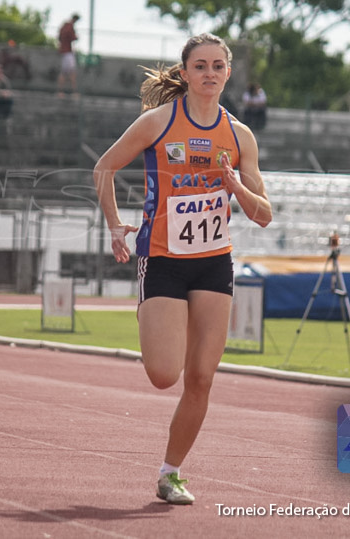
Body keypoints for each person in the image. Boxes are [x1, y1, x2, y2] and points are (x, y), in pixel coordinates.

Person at [93, 33, 273, 505]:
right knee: (162, 374)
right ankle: (148, 309)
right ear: (186, 72)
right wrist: (114, 226)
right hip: (164, 260)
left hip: (214, 262)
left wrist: (235, 187)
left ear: (228, 73)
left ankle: (171, 472)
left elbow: (264, 213)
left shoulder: (239, 136)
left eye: (218, 66)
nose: (209, 73)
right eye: (200, 66)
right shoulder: (158, 122)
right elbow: (104, 168)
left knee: (201, 378)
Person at [56, 13, 81, 98]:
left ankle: (61, 92)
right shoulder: (69, 26)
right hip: (68, 52)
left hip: (64, 51)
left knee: (66, 72)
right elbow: (73, 37)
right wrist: (76, 37)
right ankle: (71, 92)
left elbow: (59, 37)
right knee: (70, 72)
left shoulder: (64, 26)